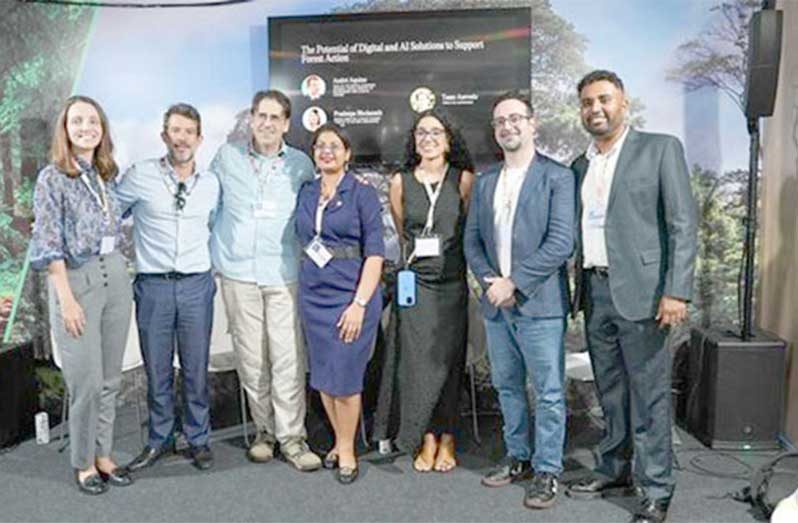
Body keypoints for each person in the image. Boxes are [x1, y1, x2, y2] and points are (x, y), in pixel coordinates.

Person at [565, 70, 698, 523]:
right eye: (587, 102)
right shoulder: (579, 165)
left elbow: (683, 224)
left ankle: (657, 488)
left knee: (650, 395)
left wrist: (676, 291)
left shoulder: (660, 149)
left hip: (645, 296)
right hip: (595, 292)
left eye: (604, 99)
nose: (595, 108)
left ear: (624, 103)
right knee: (612, 392)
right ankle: (614, 468)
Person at [463, 91, 574, 510]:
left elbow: (562, 242)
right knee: (508, 386)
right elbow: (473, 241)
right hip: (496, 304)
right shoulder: (487, 179)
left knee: (547, 392)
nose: (508, 126)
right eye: (500, 122)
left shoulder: (557, 177)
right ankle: (518, 458)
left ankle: (548, 470)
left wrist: (514, 282)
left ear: (532, 123)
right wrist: (491, 281)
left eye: (515, 118)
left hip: (540, 305)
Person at [210, 90, 321, 471]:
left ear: (287, 124)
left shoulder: (301, 165)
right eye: (262, 116)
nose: (267, 123)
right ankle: (265, 432)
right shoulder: (227, 158)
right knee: (253, 359)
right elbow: (208, 206)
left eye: (276, 117)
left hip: (284, 273)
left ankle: (293, 438)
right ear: (252, 119)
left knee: (288, 357)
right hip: (239, 274)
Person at [30, 95, 133, 494]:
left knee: (109, 377)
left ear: (102, 129)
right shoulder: (52, 178)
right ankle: (84, 463)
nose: (86, 127)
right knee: (86, 381)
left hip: (115, 276)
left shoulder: (106, 174)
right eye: (78, 121)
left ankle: (104, 456)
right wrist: (66, 298)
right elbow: (48, 242)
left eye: (93, 121)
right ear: (65, 129)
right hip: (76, 280)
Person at [117, 103, 220, 472]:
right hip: (153, 287)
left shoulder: (211, 185)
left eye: (189, 132)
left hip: (196, 286)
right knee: (157, 369)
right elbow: (107, 212)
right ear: (164, 136)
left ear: (199, 138)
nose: (182, 138)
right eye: (175, 131)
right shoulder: (139, 176)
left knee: (195, 369)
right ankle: (159, 440)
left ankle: (198, 439)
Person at [372, 110, 474, 473]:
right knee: (416, 365)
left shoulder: (463, 180)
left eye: (435, 132)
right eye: (421, 132)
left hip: (450, 284)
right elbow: (404, 235)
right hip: (415, 285)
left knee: (447, 361)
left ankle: (447, 436)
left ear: (448, 140)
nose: (427, 138)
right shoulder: (400, 182)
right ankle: (426, 437)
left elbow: (466, 233)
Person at [295, 123, 385, 484]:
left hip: (351, 296)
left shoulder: (362, 193)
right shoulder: (306, 191)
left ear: (347, 153)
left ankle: (347, 448)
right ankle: (339, 439)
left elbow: (376, 253)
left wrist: (360, 304)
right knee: (323, 379)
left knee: (346, 379)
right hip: (314, 295)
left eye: (334, 145)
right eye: (320, 145)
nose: (326, 151)